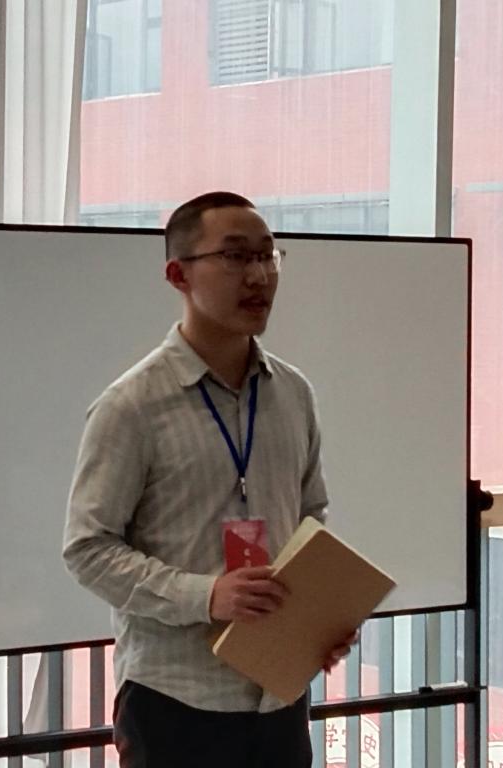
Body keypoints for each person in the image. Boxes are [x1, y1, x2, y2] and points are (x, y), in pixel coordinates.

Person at [62, 191, 358, 767]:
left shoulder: (292, 394)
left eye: (268, 256)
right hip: (175, 699)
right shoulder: (132, 406)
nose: (259, 276)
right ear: (179, 275)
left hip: (279, 695)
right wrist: (207, 596)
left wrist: (319, 618)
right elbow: (88, 549)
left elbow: (310, 518)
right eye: (235, 256)